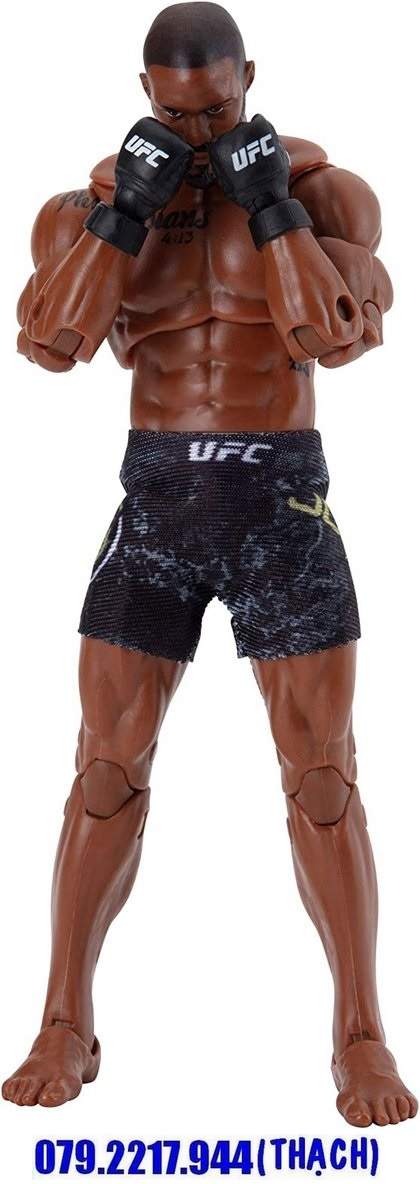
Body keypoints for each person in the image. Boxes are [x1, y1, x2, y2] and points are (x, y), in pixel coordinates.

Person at [3, 2, 417, 1127]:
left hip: (281, 501)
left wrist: (271, 206)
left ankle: (362, 1036)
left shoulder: (327, 191)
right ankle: (65, 1020)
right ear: (146, 94)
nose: (199, 130)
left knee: (323, 778)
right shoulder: (85, 204)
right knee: (104, 768)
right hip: (158, 503)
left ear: (250, 80)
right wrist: (123, 218)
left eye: (219, 109)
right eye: (180, 114)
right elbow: (50, 344)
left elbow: (336, 337)